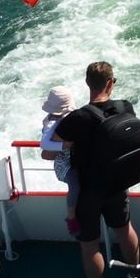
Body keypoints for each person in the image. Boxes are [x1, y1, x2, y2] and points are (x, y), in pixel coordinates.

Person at [53, 61, 140, 278]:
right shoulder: (126, 107)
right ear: (111, 83)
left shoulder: (78, 117)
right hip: (117, 185)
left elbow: (55, 143)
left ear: (87, 83)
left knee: (90, 246)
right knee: (125, 231)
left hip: (87, 192)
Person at [39, 86, 79, 235]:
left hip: (74, 158)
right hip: (64, 165)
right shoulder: (51, 123)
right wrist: (64, 145)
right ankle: (71, 216)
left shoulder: (70, 117)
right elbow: (44, 144)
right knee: (75, 183)